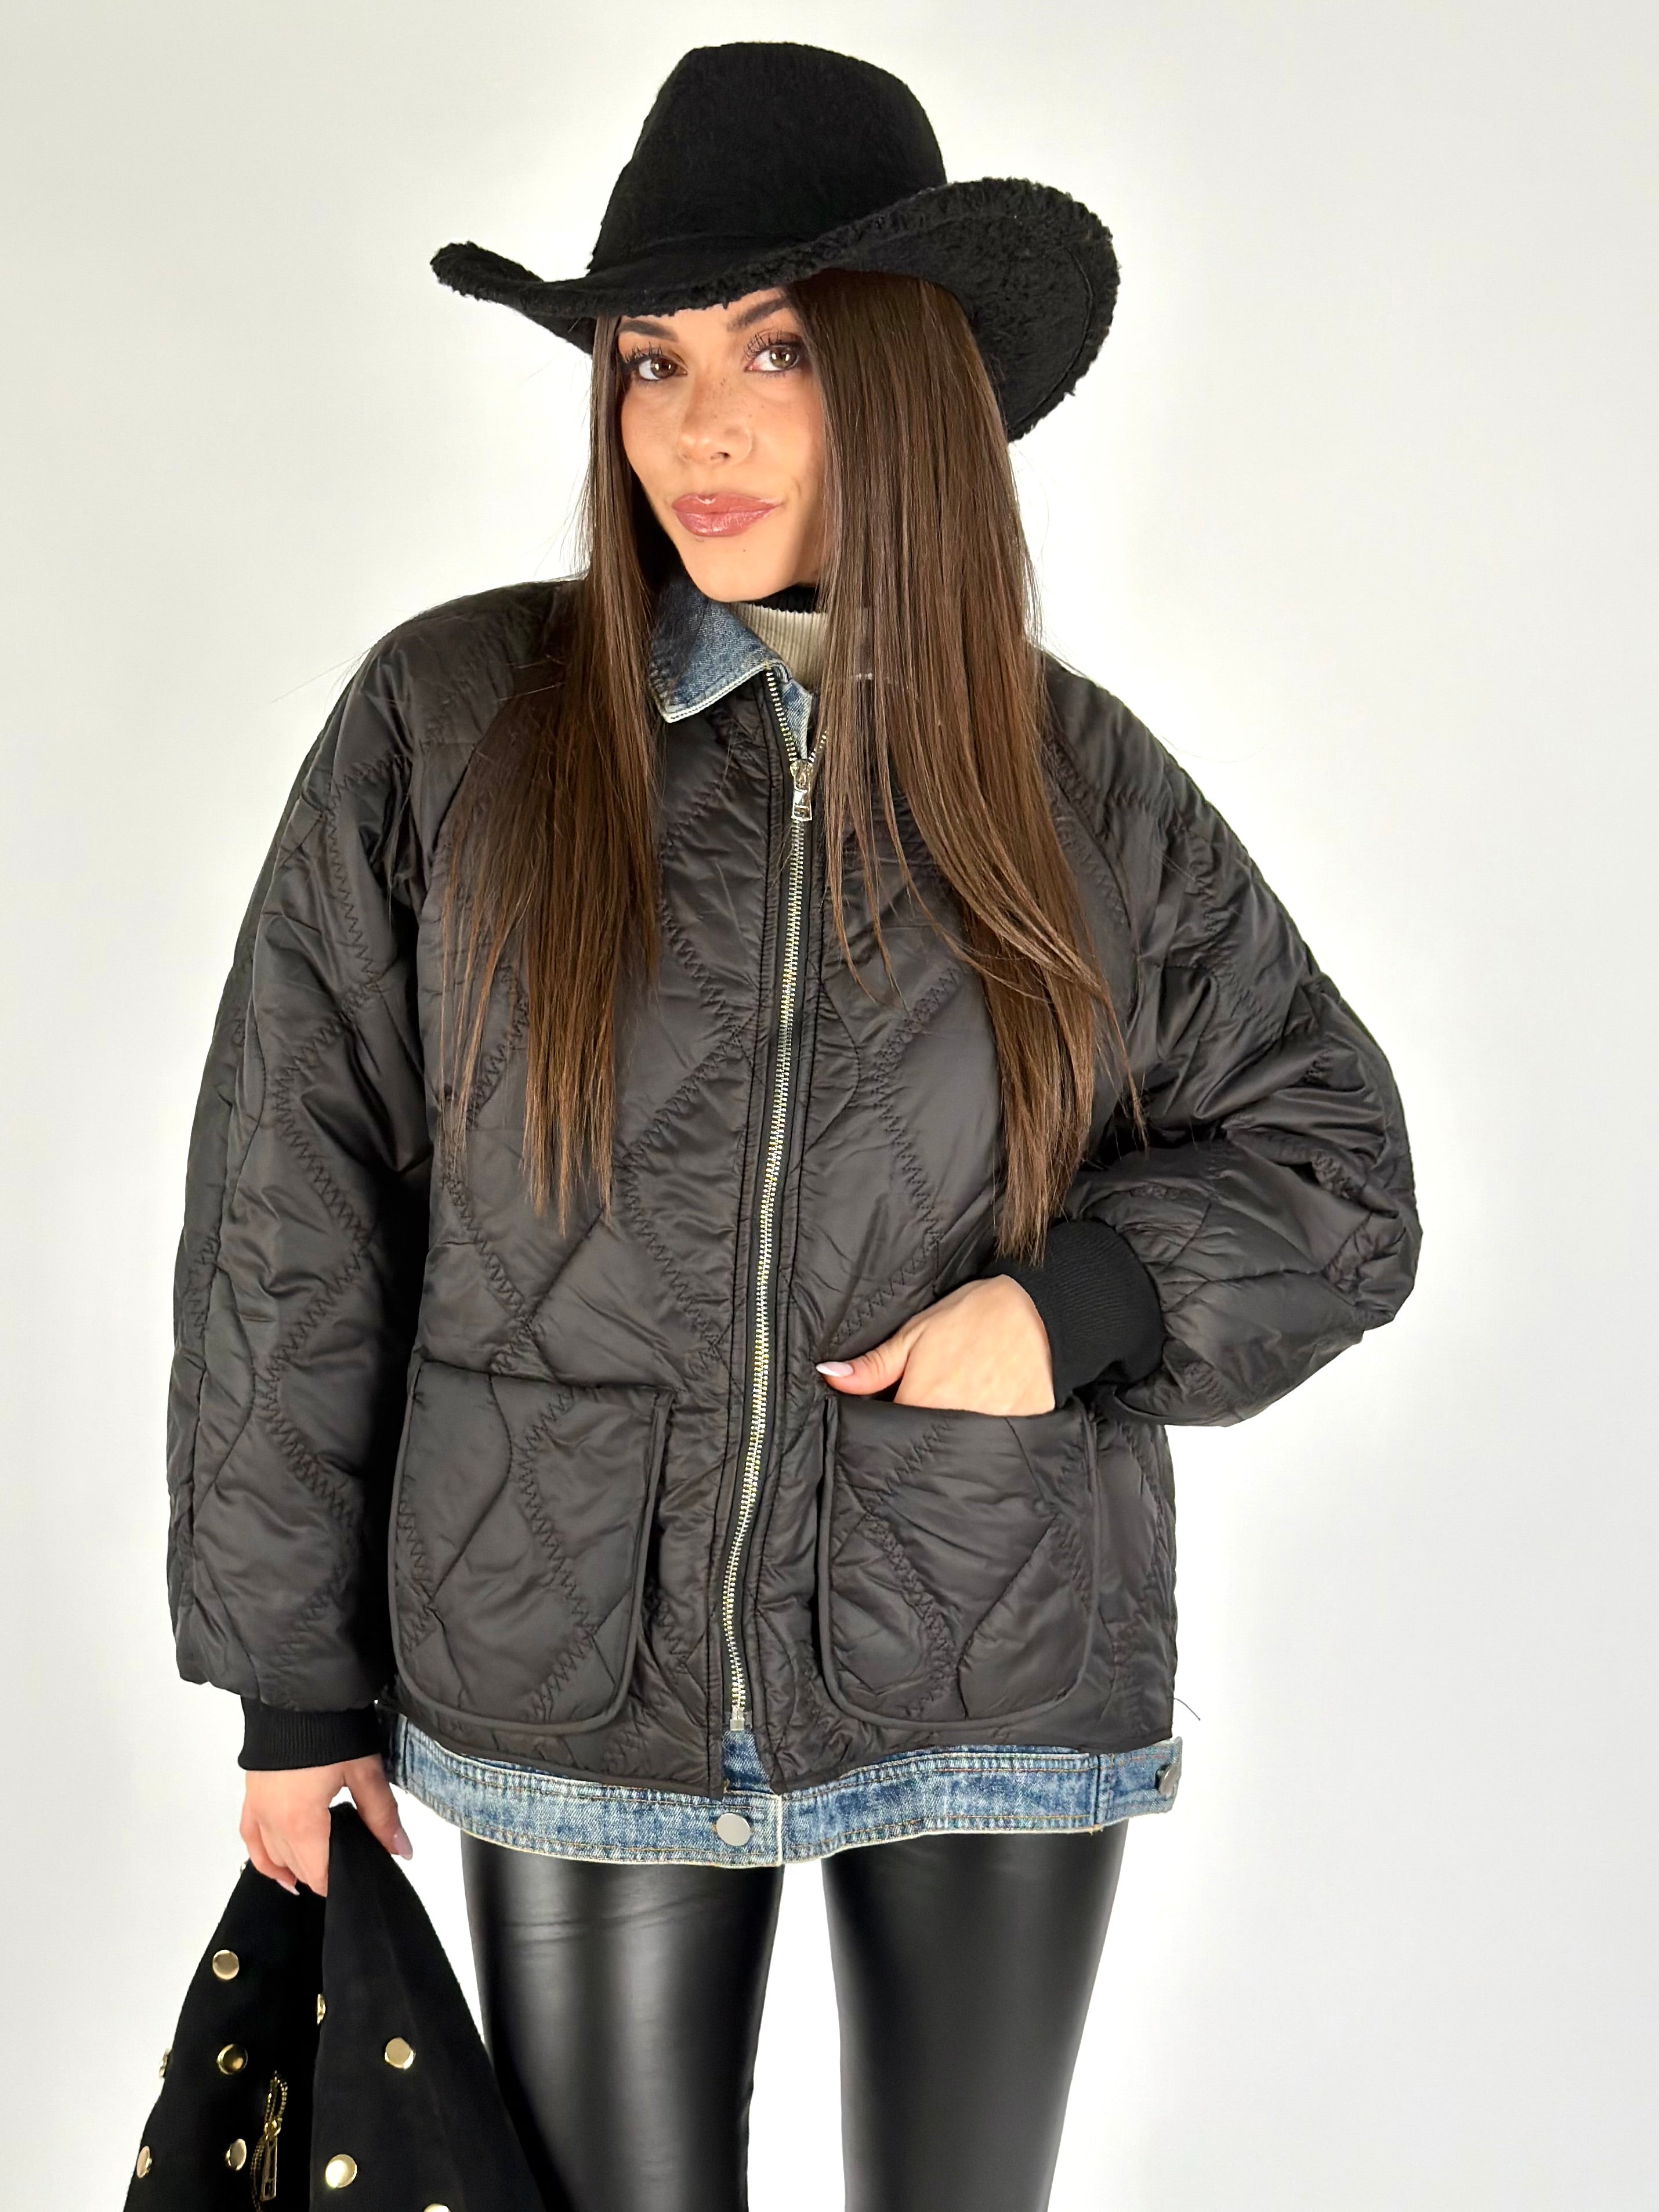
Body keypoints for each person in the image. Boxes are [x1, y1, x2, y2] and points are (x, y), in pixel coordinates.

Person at [165, 41, 1419, 2212]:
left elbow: (1334, 1162)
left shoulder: (1072, 777)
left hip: (992, 1639)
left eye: (775, 353)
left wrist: (1074, 1310)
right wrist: (295, 1691)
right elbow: (292, 1212)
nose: (700, 429)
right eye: (650, 364)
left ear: (907, 387)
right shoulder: (451, 728)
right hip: (567, 1657)